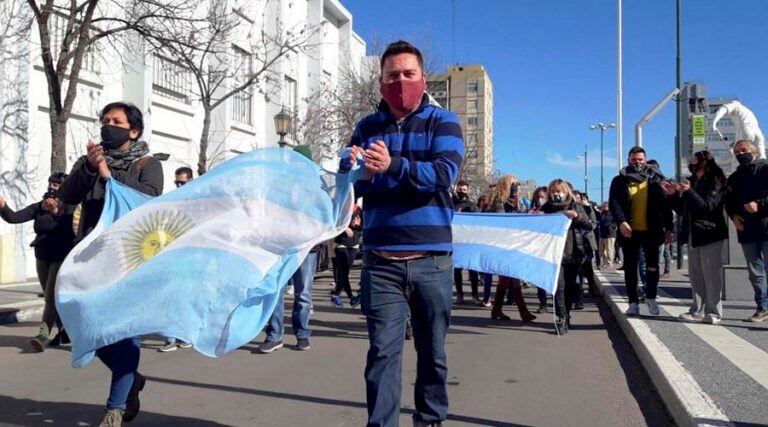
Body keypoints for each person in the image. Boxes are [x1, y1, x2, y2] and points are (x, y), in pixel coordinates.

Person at [341, 40, 464, 427]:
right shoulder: (366, 127)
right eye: (393, 75)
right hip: (380, 263)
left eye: (409, 74)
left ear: (422, 78)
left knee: (432, 355)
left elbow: (444, 175)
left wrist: (393, 165)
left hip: (432, 263)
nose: (401, 81)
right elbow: (351, 187)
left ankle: (429, 421)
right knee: (382, 356)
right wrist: (350, 169)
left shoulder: (444, 122)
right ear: (381, 84)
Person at [60, 101, 163, 426]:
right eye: (105, 120)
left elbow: (148, 199)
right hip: (91, 257)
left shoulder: (148, 164)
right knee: (85, 329)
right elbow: (67, 195)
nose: (108, 126)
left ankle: (115, 408)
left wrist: (108, 177)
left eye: (115, 121)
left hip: (129, 259)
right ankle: (132, 378)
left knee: (126, 333)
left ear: (133, 130)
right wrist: (90, 169)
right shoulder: (90, 161)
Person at [0, 173, 75, 351]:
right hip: (42, 255)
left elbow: (72, 229)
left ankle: (42, 335)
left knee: (50, 297)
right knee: (50, 297)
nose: (51, 188)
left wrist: (57, 212)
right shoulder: (39, 207)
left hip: (60, 256)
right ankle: (64, 330)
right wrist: (3, 206)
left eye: (56, 185)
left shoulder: (69, 207)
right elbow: (14, 217)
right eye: (50, 184)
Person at [609, 146, 673, 317]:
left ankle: (651, 297)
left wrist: (669, 228)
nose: (637, 162)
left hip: (652, 231)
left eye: (640, 160)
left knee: (652, 267)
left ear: (645, 160)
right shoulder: (619, 180)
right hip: (630, 231)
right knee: (630, 268)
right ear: (628, 160)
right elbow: (614, 203)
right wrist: (622, 222)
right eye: (633, 159)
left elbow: (666, 205)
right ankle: (632, 303)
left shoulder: (656, 179)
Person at [667, 151, 728, 324]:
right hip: (693, 233)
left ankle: (714, 312)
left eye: (695, 162)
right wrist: (673, 195)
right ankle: (697, 309)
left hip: (710, 232)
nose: (692, 165)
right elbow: (682, 210)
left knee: (711, 274)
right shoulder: (692, 181)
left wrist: (690, 191)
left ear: (704, 163)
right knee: (696, 275)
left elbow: (707, 206)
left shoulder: (716, 179)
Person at [541, 179, 592, 333]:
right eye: (554, 191)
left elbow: (589, 225)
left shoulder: (576, 206)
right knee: (559, 287)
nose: (557, 194)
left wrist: (576, 216)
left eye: (560, 191)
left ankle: (567, 314)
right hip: (554, 255)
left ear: (566, 192)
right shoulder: (546, 208)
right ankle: (561, 317)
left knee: (570, 287)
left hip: (573, 253)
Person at [726, 139, 768, 322]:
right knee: (755, 273)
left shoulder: (765, 169)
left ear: (754, 151)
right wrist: (734, 216)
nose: (740, 154)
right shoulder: (735, 177)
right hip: (747, 231)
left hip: (767, 228)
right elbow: (729, 202)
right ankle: (762, 307)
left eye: (744, 150)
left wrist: (759, 205)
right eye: (737, 151)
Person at [488, 175, 536, 322]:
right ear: (506, 186)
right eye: (513, 184)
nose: (516, 186)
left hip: (514, 243)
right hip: (504, 245)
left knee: (508, 278)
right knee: (512, 277)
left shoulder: (517, 202)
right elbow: (502, 222)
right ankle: (522, 311)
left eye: (517, 183)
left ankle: (498, 310)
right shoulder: (499, 201)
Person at [158, 166, 195, 353]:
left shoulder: (198, 201)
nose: (179, 185)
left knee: (184, 297)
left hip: (190, 256)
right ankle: (170, 338)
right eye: (176, 182)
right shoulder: (172, 202)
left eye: (182, 182)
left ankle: (184, 335)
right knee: (169, 296)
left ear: (191, 181)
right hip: (172, 255)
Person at [452, 180, 480, 304]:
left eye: (464, 190)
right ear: (456, 189)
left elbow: (478, 222)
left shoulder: (472, 205)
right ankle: (459, 295)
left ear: (467, 191)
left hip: (469, 241)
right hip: (455, 241)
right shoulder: (451, 203)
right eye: (460, 189)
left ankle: (475, 295)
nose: (462, 192)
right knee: (457, 270)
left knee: (472, 269)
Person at [331, 211, 363, 308]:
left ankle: (335, 294)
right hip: (341, 242)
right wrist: (344, 227)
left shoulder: (360, 210)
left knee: (345, 272)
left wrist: (358, 225)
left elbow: (365, 226)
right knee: (344, 272)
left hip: (354, 243)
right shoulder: (344, 204)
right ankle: (351, 297)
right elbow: (333, 220)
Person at [574, 191, 599, 303]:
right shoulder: (571, 209)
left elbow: (593, 222)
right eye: (574, 198)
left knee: (588, 267)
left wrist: (587, 228)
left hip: (587, 241)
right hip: (575, 242)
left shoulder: (588, 209)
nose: (577, 200)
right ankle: (578, 294)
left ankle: (592, 288)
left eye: (578, 198)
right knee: (577, 270)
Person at [530, 186, 550, 313]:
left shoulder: (553, 211)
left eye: (543, 197)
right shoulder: (531, 211)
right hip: (537, 248)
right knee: (539, 278)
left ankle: (558, 303)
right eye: (538, 197)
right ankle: (543, 303)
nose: (540, 200)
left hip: (550, 247)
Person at [598, 202, 617, 269]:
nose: (604, 207)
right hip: (602, 234)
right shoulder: (602, 213)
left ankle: (610, 263)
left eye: (606, 206)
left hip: (610, 234)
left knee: (609, 249)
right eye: (603, 206)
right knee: (601, 250)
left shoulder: (613, 213)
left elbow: (616, 222)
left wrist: (611, 227)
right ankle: (605, 262)